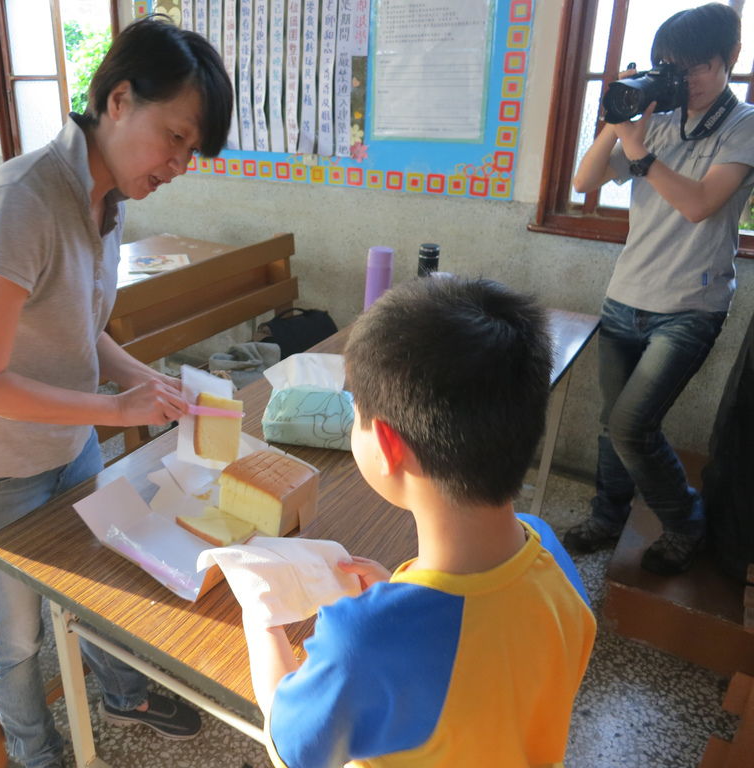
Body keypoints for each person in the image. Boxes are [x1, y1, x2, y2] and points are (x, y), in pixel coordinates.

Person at [0, 17, 233, 768]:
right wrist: (116, 410)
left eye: (191, 152)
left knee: (95, 584)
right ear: (118, 100)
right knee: (16, 636)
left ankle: (123, 694)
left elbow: (77, 327)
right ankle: (36, 752)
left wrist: (141, 378)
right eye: (175, 138)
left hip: (67, 444)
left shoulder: (106, 201)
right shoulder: (22, 202)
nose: (179, 165)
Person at [242, 277, 597, 767]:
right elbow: (487, 666)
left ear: (388, 445)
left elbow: (294, 745)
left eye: (356, 412)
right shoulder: (554, 553)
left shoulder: (362, 641)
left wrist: (259, 617)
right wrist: (399, 596)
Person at [563, 3, 754, 575]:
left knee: (632, 425)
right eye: (674, 67)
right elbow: (584, 180)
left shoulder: (744, 125)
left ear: (731, 58)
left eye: (700, 66)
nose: (686, 80)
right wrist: (616, 118)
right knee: (612, 423)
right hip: (626, 296)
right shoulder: (659, 120)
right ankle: (607, 516)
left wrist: (639, 150)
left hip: (690, 306)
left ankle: (685, 521)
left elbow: (699, 204)